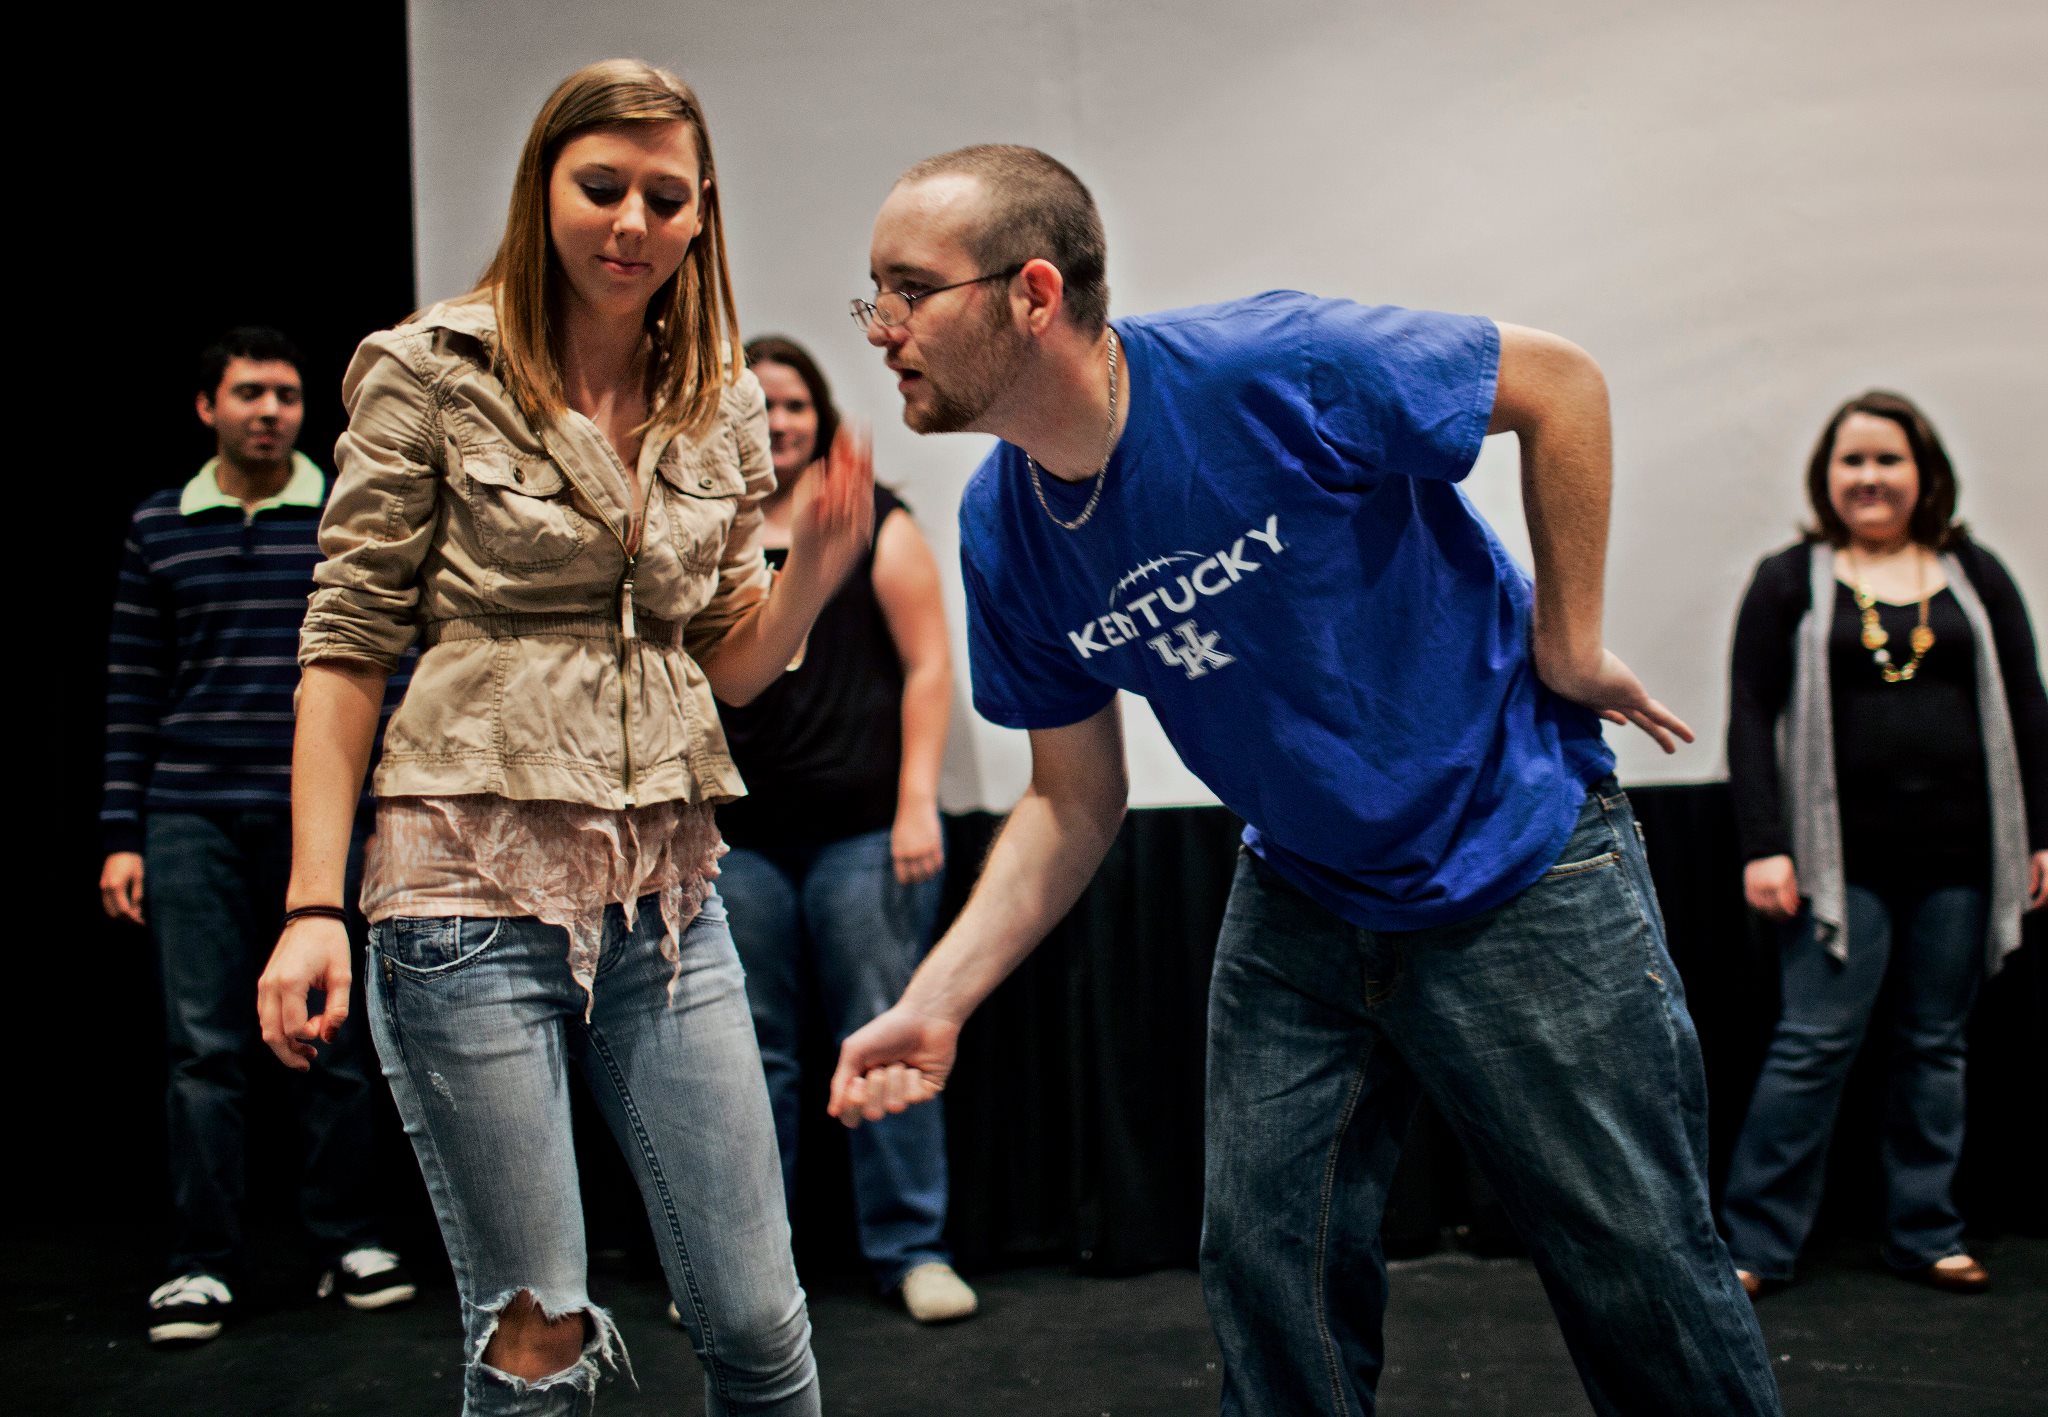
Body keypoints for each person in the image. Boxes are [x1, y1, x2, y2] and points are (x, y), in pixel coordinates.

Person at [829, 145, 1782, 1416]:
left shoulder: (1271, 366)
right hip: (1302, 896)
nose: (880, 330)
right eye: (873, 296)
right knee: (1266, 1270)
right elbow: (1071, 800)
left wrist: (1567, 640)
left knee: (1638, 1271)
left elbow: (1558, 384)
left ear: (1032, 293)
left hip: (1515, 858)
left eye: (907, 290)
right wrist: (938, 998)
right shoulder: (1004, 532)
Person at [255, 60, 872, 1415]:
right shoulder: (429, 369)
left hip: (667, 898)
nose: (631, 223)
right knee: (537, 1341)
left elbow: (733, 663)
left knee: (763, 1328)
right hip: (462, 892)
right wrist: (310, 901)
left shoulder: (714, 397)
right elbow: (347, 648)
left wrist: (815, 572)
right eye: (602, 188)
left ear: (702, 215)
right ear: (545, 188)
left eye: (665, 197)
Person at [101, 327, 415, 1347]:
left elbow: (384, 667)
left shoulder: (340, 515)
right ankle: (203, 1262)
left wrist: (387, 810)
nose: (270, 410)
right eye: (249, 393)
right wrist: (122, 833)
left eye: (284, 394)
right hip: (188, 811)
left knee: (333, 1040)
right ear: (209, 407)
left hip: (316, 819)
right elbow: (134, 688)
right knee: (204, 1048)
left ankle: (351, 1239)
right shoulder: (160, 526)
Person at [1720, 390, 2047, 1299]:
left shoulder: (1973, 570)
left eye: (1888, 459)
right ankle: (1754, 1241)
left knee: (1935, 1046)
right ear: (1827, 478)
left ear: (1923, 473)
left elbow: (2027, 702)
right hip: (1835, 867)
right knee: (1813, 1045)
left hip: (1961, 858)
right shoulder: (1790, 576)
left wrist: (2040, 835)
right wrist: (1764, 843)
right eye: (1851, 460)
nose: (1869, 477)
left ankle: (1926, 1231)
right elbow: (1750, 716)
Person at [714, 335, 973, 1323]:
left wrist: (915, 803)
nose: (777, 423)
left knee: (885, 1035)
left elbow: (925, 666)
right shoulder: (705, 531)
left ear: (817, 416)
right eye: (758, 407)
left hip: (864, 833)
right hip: (735, 843)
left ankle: (912, 1248)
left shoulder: (874, 520)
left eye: (792, 406)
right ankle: (751, 1271)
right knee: (747, 1057)